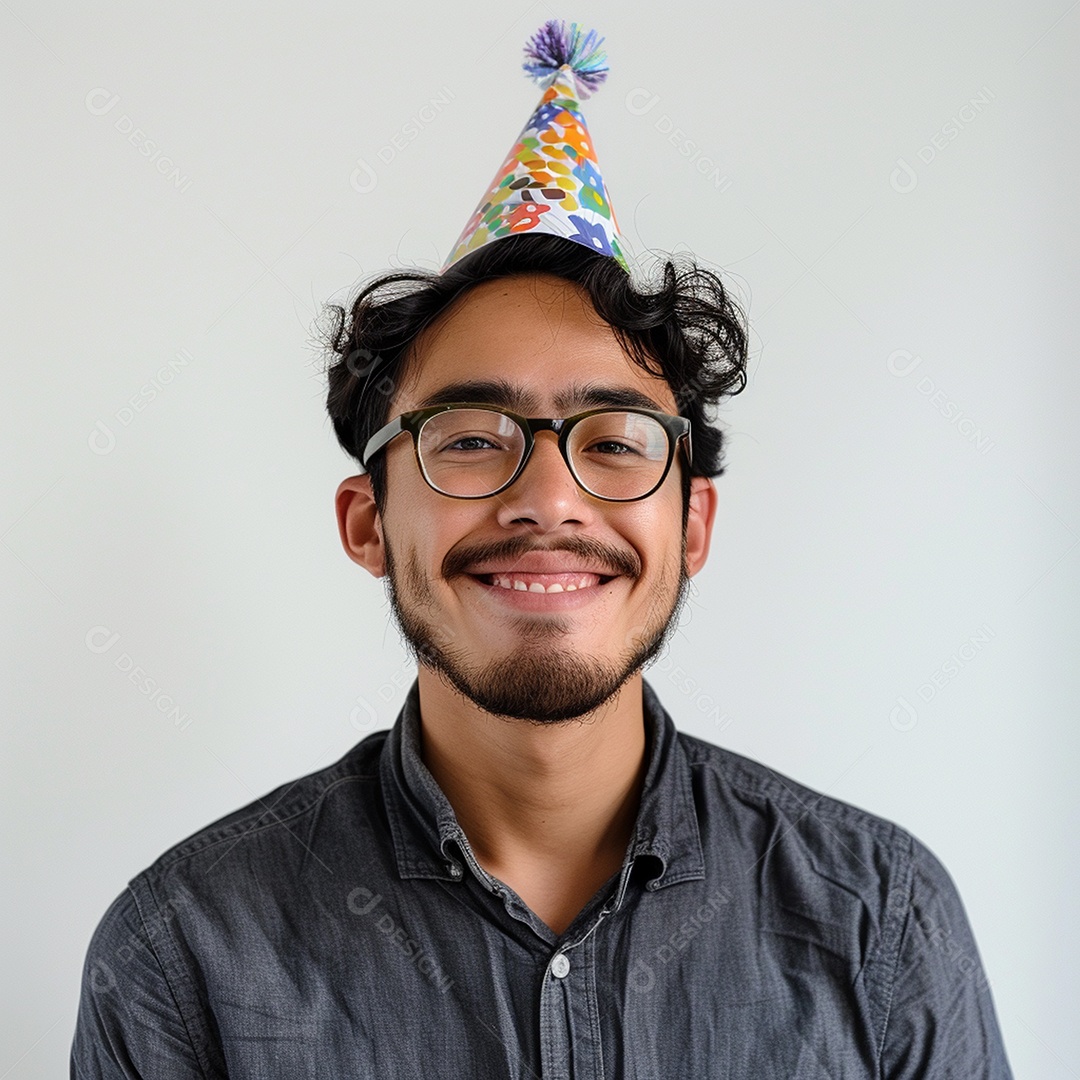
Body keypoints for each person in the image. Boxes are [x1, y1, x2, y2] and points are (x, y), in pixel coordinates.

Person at [72, 20, 1013, 1077]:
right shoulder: (182, 953)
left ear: (692, 524)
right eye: (472, 440)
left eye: (614, 441)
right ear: (366, 522)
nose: (548, 498)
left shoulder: (880, 922)